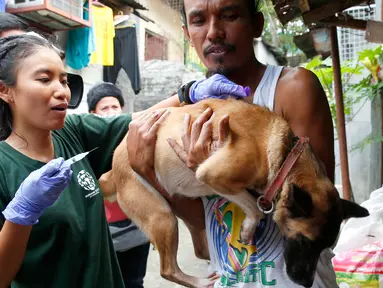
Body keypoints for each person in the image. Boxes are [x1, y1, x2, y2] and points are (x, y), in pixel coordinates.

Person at [125, 0, 338, 287]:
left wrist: (221, 172)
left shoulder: (292, 89)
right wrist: (150, 174)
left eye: (229, 15)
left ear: (257, 24)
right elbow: (203, 222)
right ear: (188, 34)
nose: (214, 32)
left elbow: (319, 210)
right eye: (199, 21)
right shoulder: (193, 112)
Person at [0, 32, 239, 287]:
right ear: (5, 90)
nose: (61, 91)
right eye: (45, 79)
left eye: (64, 80)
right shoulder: (5, 168)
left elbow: (141, 121)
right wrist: (21, 215)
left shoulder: (72, 131)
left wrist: (189, 94)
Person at [87, 82, 150, 288]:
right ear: (92, 113)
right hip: (105, 237)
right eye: (104, 108)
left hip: (137, 232)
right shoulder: (88, 146)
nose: (111, 112)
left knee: (134, 282)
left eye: (115, 107)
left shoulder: (134, 139)